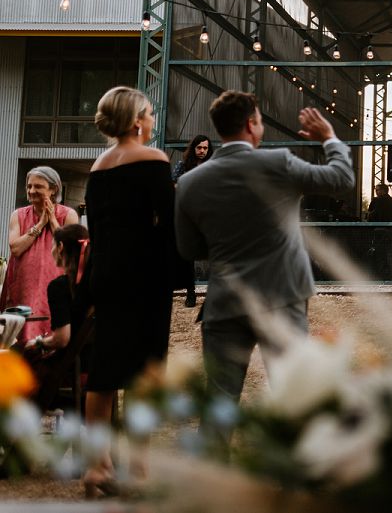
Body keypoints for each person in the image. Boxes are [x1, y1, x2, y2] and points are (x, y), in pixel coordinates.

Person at [175, 91, 354, 408]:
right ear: (251, 123)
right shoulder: (278, 162)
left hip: (225, 302)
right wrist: (329, 138)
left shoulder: (189, 182)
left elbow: (189, 248)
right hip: (283, 297)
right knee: (294, 400)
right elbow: (341, 178)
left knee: (219, 406)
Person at [83, 86, 176, 496]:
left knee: (103, 372)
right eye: (150, 114)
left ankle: (97, 466)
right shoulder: (153, 159)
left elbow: (97, 232)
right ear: (137, 120)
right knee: (145, 372)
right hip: (145, 277)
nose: (153, 120)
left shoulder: (98, 167)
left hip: (106, 276)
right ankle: (138, 468)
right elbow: (167, 224)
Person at [3, 166, 79, 346]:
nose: (31, 191)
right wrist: (40, 225)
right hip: (23, 282)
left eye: (38, 186)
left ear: (53, 189)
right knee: (19, 333)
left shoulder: (68, 215)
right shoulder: (18, 215)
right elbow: (16, 249)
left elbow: (68, 248)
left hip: (54, 281)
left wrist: (51, 219)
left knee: (51, 320)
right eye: (29, 186)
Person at [25, 223, 92, 410]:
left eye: (53, 245)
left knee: (20, 355)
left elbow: (62, 339)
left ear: (60, 247)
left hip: (68, 367)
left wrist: (38, 343)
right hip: (95, 361)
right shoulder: (94, 284)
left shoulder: (59, 287)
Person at [171, 135, 212, 308]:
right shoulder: (183, 166)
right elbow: (173, 185)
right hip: (188, 216)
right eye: (199, 148)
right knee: (188, 257)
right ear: (193, 148)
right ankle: (191, 293)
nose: (202, 151)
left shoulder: (213, 166)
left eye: (205, 148)